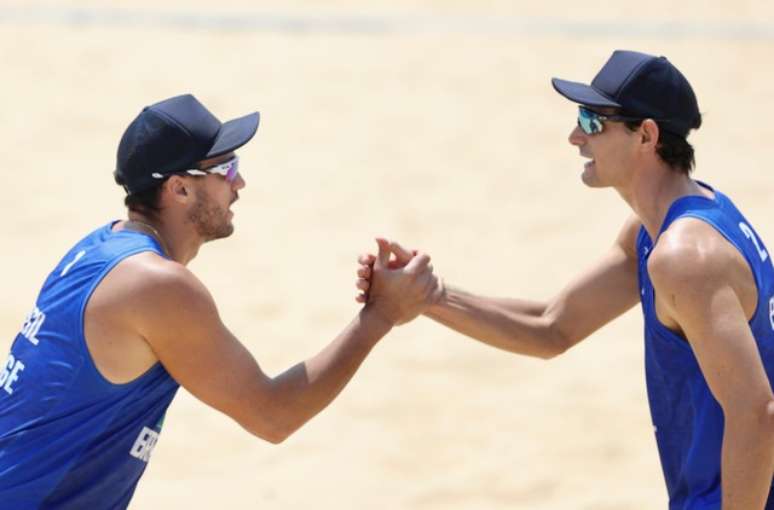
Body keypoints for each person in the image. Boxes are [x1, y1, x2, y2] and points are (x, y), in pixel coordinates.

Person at [356, 50, 774, 509]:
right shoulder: (661, 229)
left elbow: (757, 414)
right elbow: (553, 327)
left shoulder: (684, 257)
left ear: (647, 136)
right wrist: (427, 297)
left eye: (593, 122)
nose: (575, 136)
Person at [0, 93, 441, 509]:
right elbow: (273, 417)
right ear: (179, 189)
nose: (240, 183)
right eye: (226, 169)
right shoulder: (157, 285)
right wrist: (381, 315)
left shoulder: (101, 247)